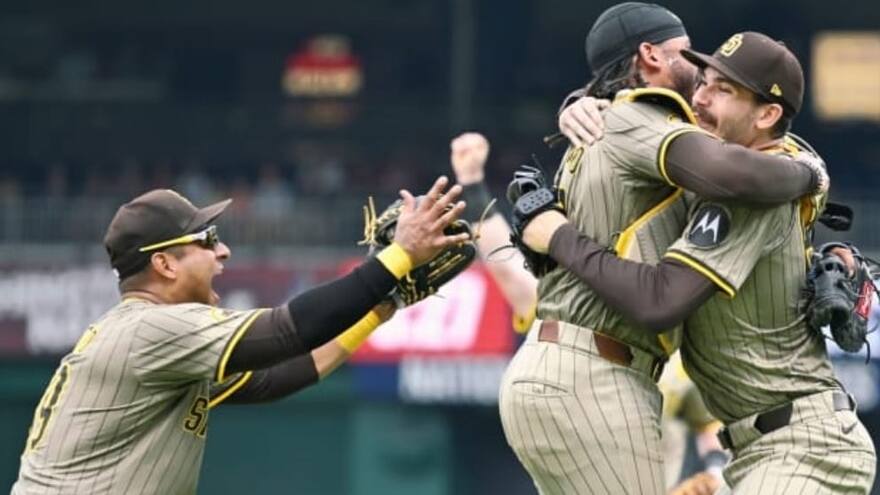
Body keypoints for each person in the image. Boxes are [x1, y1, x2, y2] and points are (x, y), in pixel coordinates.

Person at [495, 3, 830, 493]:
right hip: (594, 373)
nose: (700, 78)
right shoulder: (640, 117)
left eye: (721, 84)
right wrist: (812, 173)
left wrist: (575, 100)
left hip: (565, 368)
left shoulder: (604, 119)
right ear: (651, 55)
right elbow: (729, 174)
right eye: (688, 57)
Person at [12, 178, 468, 495]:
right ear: (165, 264)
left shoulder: (154, 338)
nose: (223, 249)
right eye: (207, 239)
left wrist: (380, 309)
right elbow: (289, 330)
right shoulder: (153, 330)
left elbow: (275, 377)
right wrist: (397, 257)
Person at [450, 132, 727, 494]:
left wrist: (715, 477)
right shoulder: (573, 304)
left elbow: (711, 431)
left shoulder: (678, 331)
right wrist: (472, 189)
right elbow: (509, 271)